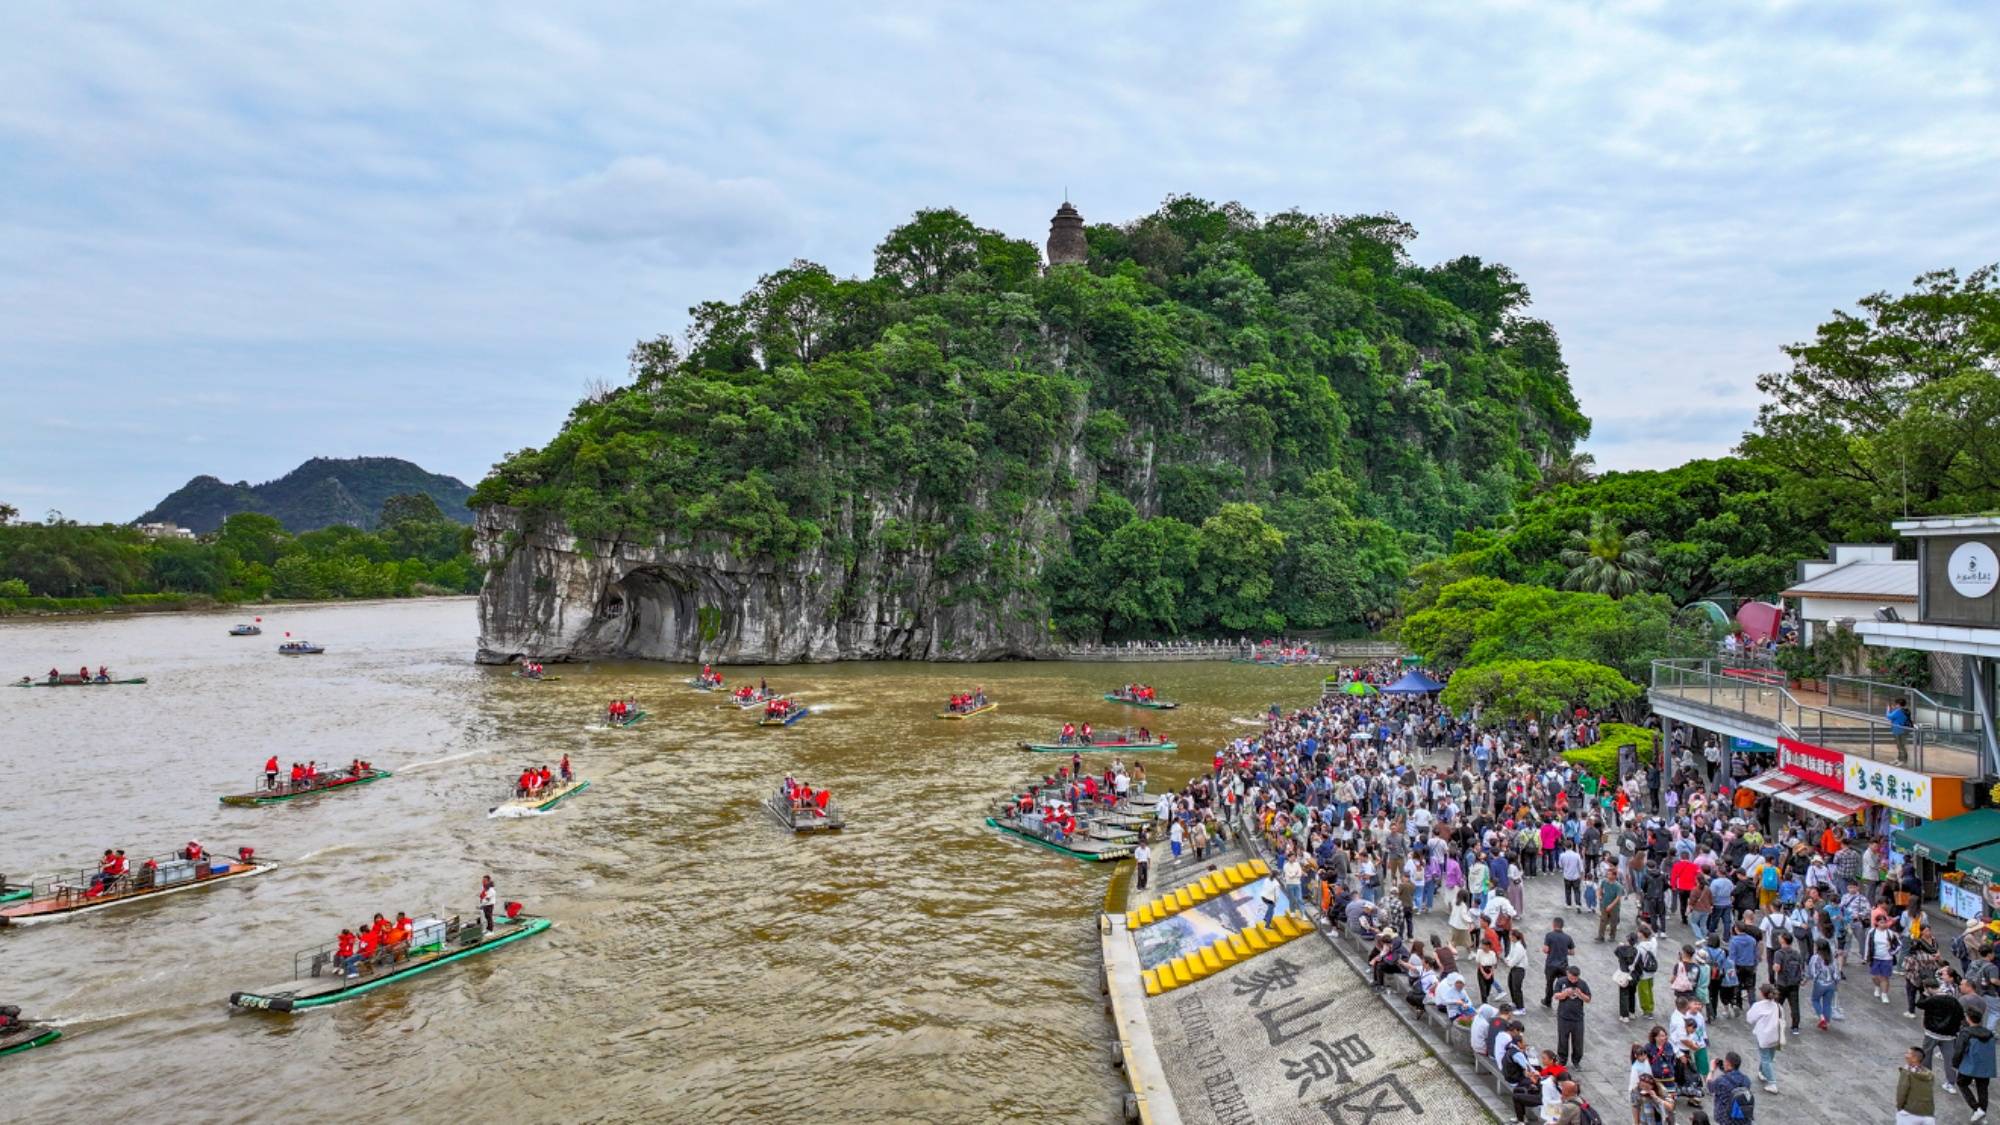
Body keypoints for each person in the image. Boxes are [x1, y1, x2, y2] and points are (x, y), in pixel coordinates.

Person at [1957, 996, 1996, 1120]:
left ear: (1968, 1018)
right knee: (1982, 1089)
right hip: (1986, 1066)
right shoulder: (1989, 1033)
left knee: (1962, 1083)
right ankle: (1982, 1113)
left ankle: (1976, 1108)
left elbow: (1959, 1050)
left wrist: (1955, 1063)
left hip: (1970, 1064)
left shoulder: (1966, 1033)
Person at [1745, 984, 1783, 1093]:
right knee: (1769, 1057)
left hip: (1764, 1036)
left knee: (1766, 1058)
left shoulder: (1758, 1006)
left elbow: (1750, 1019)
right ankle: (1762, 1072)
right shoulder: (1778, 1006)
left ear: (1762, 994)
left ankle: (1772, 1082)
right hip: (1776, 1035)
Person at [1553, 964, 1591, 1069]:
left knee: (1578, 1040)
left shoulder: (1583, 984)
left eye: (1575, 978)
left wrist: (1580, 994)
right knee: (1562, 1039)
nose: (1573, 980)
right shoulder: (1561, 981)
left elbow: (1588, 999)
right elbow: (1556, 996)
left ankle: (1576, 1060)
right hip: (1563, 1016)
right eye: (1571, 978)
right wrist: (1565, 994)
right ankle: (1562, 1059)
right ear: (1567, 974)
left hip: (1577, 1018)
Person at [1708, 1051, 1754, 1122]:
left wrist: (1712, 1070)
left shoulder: (1722, 1080)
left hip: (1725, 1118)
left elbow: (1709, 1086)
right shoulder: (1746, 1080)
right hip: (1741, 1117)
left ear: (1728, 1063)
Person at [1898, 1043, 1938, 1125]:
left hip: (1910, 1112)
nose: (1905, 1055)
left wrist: (1900, 1107)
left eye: (1908, 1053)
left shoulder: (1907, 1074)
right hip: (1927, 1113)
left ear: (1914, 1058)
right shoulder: (1929, 1074)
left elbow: (1902, 1092)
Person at [1542, 916, 1575, 1007]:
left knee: (1549, 984)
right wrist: (1563, 950)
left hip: (1551, 965)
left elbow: (1545, 950)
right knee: (1564, 984)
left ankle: (1548, 1001)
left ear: (1553, 925)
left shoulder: (1549, 935)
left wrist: (1552, 950)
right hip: (1563, 965)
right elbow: (1572, 952)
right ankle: (1564, 1000)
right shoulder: (1568, 937)